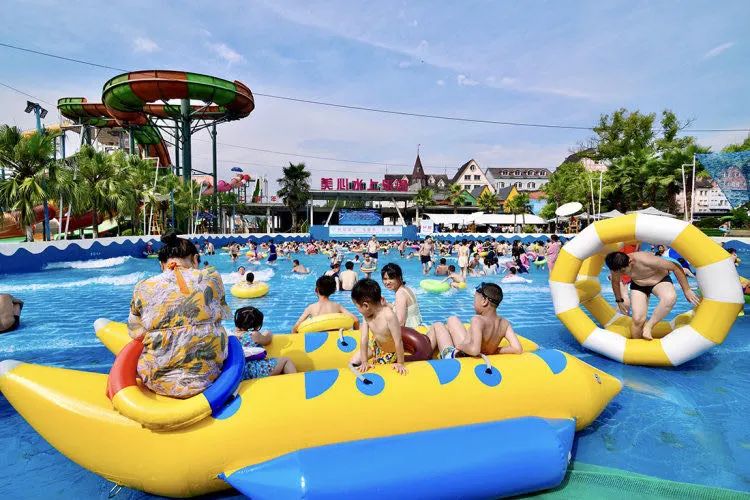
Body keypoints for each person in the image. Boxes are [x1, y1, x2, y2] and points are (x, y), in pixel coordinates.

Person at [127, 232, 230, 398]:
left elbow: (135, 332)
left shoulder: (143, 286)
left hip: (157, 382)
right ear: (195, 259)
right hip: (209, 377)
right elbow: (223, 314)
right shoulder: (212, 277)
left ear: (161, 264)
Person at [605, 251, 700, 340]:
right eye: (617, 272)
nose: (620, 274)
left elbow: (675, 267)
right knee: (637, 320)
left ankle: (649, 326)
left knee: (669, 298)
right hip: (638, 285)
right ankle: (637, 345)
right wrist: (619, 300)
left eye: (623, 271)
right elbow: (615, 282)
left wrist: (687, 290)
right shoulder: (617, 266)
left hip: (659, 281)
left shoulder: (646, 259)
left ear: (630, 261)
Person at [426, 282, 522, 359]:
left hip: (457, 358)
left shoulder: (477, 320)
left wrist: (459, 346)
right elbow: (517, 348)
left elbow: (475, 350)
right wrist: (494, 350)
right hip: (469, 353)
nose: (473, 303)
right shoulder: (505, 323)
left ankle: (423, 355)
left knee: (437, 325)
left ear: (484, 301)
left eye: (475, 299)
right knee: (452, 319)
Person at [349, 279, 407, 374]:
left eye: (357, 307)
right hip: (376, 345)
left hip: (390, 352)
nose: (357, 310)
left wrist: (400, 363)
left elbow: (398, 341)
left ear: (366, 306)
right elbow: (364, 339)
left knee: (380, 371)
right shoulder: (366, 316)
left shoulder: (389, 315)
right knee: (353, 362)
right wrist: (364, 362)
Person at [233, 306, 296, 378]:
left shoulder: (231, 335)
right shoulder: (253, 335)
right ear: (257, 326)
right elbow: (267, 340)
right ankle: (295, 382)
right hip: (254, 370)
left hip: (238, 372)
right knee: (286, 360)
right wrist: (268, 333)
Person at [291, 275, 359, 333]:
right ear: (333, 291)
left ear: (316, 290)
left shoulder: (311, 308)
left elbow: (295, 328)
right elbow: (356, 320)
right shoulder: (338, 306)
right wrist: (355, 334)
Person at [381, 263, 422, 328]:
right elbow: (399, 308)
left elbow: (400, 323)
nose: (387, 282)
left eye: (391, 278)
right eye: (385, 279)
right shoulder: (405, 289)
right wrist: (386, 304)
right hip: (416, 327)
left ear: (399, 277)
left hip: (409, 331)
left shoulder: (400, 294)